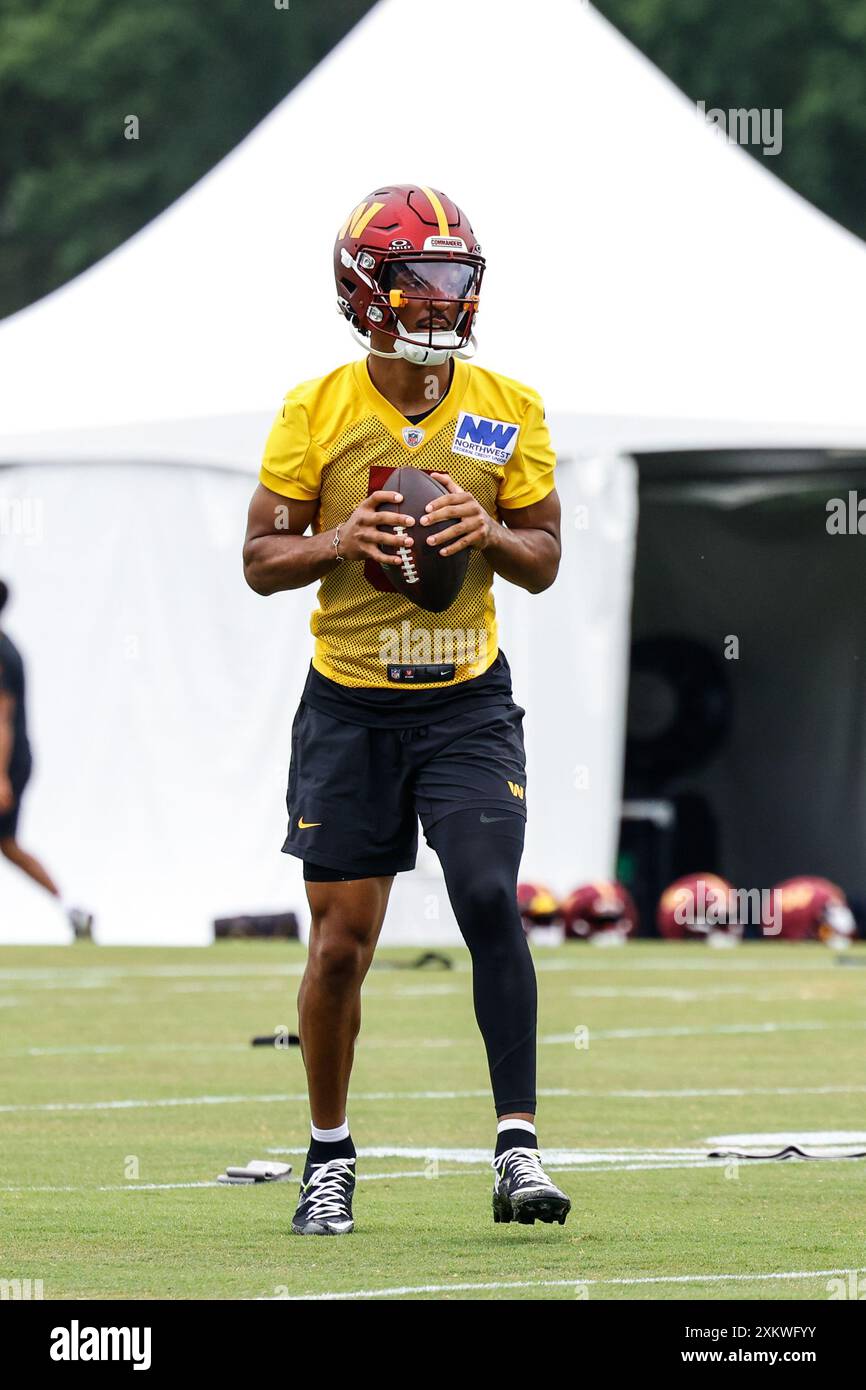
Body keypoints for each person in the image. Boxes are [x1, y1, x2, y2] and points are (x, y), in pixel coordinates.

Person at [243, 184, 568, 1235]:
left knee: (485, 891)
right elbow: (257, 559)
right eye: (417, 278)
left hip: (464, 700)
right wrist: (338, 542)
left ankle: (516, 1147)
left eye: (454, 277)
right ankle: (329, 1154)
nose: (439, 298)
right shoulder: (318, 407)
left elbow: (545, 557)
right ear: (363, 291)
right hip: (348, 705)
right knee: (340, 947)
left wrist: (489, 531)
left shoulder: (506, 405)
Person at [0, 581, 92, 940]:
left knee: (8, 844)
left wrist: (1, 777)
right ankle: (72, 909)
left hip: (7, 763)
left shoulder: (2, 652)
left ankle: (72, 908)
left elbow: (3, 716)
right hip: (12, 763)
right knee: (8, 845)